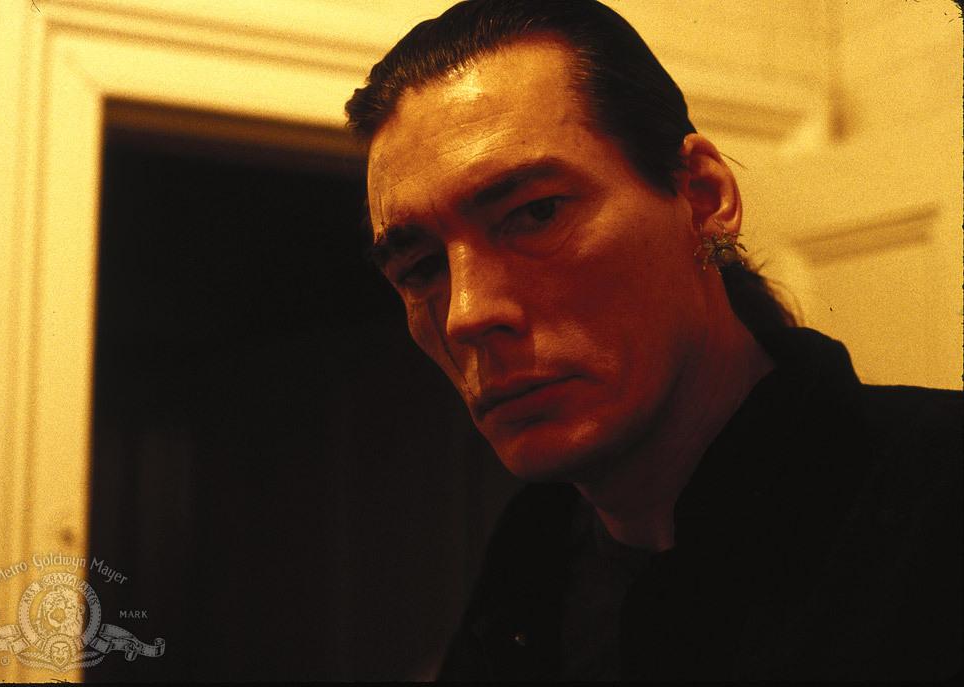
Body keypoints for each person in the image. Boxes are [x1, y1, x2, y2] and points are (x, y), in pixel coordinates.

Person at [344, 0, 962, 680]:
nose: (466, 314)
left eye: (535, 213)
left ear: (702, 196)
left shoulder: (936, 501)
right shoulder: (533, 550)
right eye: (420, 268)